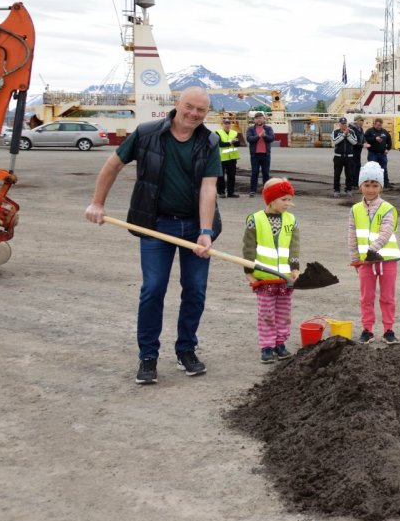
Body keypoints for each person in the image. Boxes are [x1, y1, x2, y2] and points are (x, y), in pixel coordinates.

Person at [84, 87, 221, 385]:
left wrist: (206, 231)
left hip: (195, 227)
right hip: (155, 226)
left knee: (195, 290)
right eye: (190, 106)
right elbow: (113, 165)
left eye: (201, 110)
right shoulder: (146, 134)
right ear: (177, 104)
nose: (194, 114)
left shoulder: (210, 141)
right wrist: (97, 203)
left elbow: (209, 188)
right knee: (153, 288)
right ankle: (148, 356)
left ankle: (186, 349)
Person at [243, 178, 300, 363]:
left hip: (284, 278)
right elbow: (249, 247)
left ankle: (280, 343)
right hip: (264, 277)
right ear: (271, 199)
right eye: (284, 199)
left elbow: (294, 246)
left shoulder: (291, 220)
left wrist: (295, 268)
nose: (289, 204)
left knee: (284, 313)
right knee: (266, 313)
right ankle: (267, 346)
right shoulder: (255, 220)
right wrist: (248, 271)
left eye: (290, 199)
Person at [349, 161, 400, 343]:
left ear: (381, 187)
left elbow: (387, 231)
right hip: (365, 262)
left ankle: (388, 329)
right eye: (367, 185)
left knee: (387, 297)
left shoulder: (388, 208)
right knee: (366, 297)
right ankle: (367, 329)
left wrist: (374, 248)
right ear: (360, 186)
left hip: (387, 260)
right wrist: (355, 258)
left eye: (375, 185)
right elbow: (352, 235)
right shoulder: (355, 210)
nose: (370, 189)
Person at [245, 111, 275, 197]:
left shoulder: (268, 129)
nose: (259, 120)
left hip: (266, 154)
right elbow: (249, 139)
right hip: (255, 155)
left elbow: (272, 139)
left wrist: (264, 135)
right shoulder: (250, 129)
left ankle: (266, 191)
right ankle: (252, 190)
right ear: (254, 120)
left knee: (266, 173)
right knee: (254, 172)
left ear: (264, 119)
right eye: (257, 118)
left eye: (261, 118)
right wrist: (258, 136)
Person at [214, 116, 243, 198]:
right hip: (222, 158)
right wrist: (230, 142)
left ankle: (231, 192)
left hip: (232, 158)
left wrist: (236, 142)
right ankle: (221, 192)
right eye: (225, 124)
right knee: (221, 176)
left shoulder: (234, 133)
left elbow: (238, 144)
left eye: (228, 124)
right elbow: (220, 144)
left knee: (232, 176)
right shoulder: (217, 133)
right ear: (222, 125)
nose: (227, 125)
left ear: (230, 125)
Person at [331, 117, 359, 198]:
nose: (343, 125)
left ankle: (348, 189)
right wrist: (343, 135)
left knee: (349, 174)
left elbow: (354, 142)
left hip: (349, 157)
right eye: (342, 123)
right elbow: (335, 141)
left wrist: (348, 135)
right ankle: (336, 190)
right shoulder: (335, 132)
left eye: (345, 123)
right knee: (337, 174)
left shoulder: (352, 131)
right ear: (339, 124)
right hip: (338, 156)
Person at [364, 117, 394, 190]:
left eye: (380, 125)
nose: (378, 126)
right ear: (374, 124)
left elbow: (389, 141)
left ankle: (386, 183)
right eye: (377, 125)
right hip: (372, 153)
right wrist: (375, 139)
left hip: (382, 154)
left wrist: (388, 149)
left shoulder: (384, 132)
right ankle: (373, 183)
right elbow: (365, 139)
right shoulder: (369, 131)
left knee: (384, 168)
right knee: (372, 169)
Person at [349, 116, 367, 192]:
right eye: (361, 120)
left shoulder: (360, 129)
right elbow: (353, 142)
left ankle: (356, 182)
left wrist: (365, 142)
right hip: (352, 151)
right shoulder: (351, 129)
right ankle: (352, 183)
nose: (362, 122)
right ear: (356, 121)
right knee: (353, 167)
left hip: (358, 151)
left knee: (358, 166)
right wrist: (362, 145)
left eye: (363, 120)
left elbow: (363, 138)